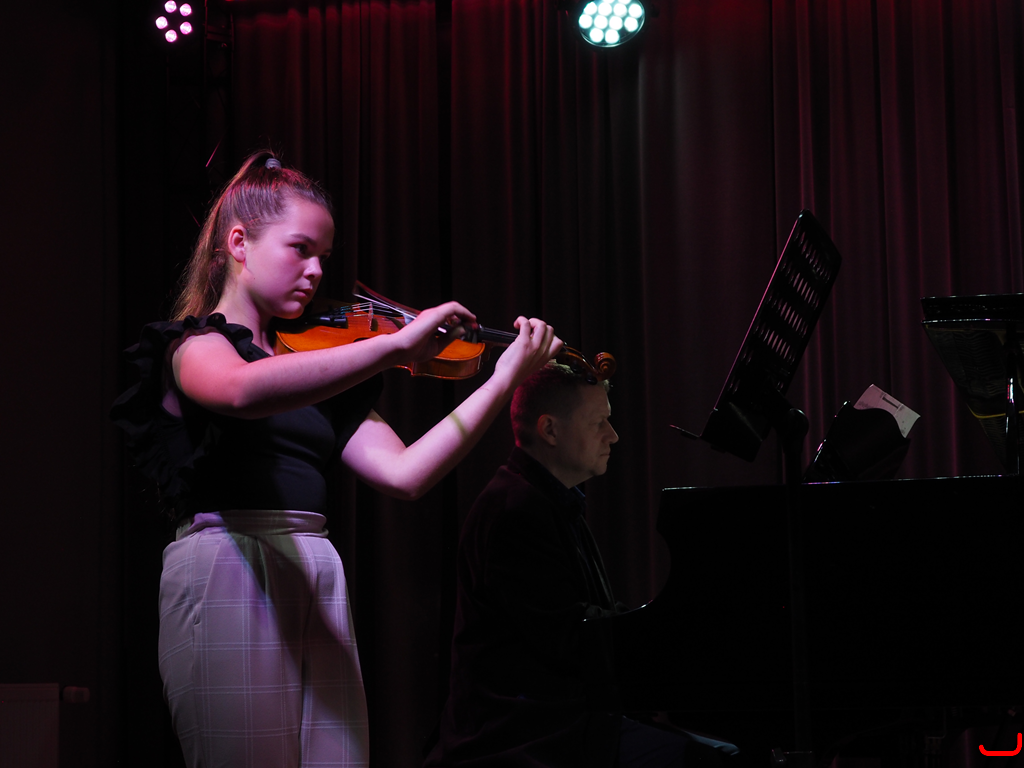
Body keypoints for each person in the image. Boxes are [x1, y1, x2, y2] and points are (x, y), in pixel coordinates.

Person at [111, 152, 562, 768]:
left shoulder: (315, 368)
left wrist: (503, 378)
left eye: (323, 255)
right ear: (239, 244)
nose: (317, 270)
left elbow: (406, 474)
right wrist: (393, 348)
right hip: (229, 561)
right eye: (300, 249)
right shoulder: (195, 346)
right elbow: (241, 391)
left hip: (313, 562)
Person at [425, 362, 734, 767]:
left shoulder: (544, 499)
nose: (613, 435)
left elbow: (582, 622)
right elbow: (569, 637)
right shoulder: (515, 510)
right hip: (525, 734)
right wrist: (669, 642)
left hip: (563, 722)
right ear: (550, 430)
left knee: (718, 751)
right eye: (598, 422)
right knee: (712, 759)